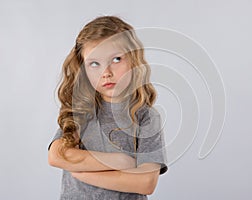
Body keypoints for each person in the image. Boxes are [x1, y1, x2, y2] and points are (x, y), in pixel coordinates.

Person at [48, 15, 168, 200]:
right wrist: (120, 161)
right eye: (94, 63)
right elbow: (56, 156)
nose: (106, 73)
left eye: (117, 59)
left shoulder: (145, 116)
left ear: (134, 59)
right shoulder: (82, 111)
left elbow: (146, 183)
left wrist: (84, 173)